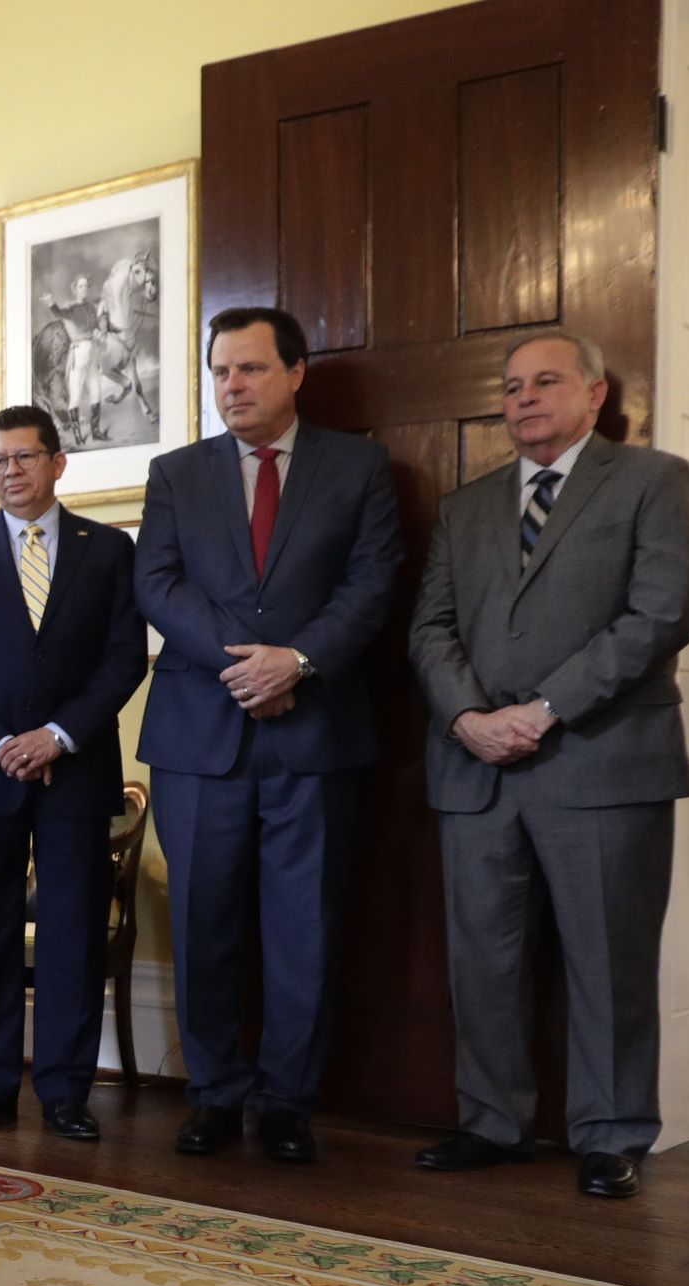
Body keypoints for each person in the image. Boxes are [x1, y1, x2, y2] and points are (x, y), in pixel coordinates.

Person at [408, 332, 689, 1200]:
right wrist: (466, 716)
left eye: (544, 381)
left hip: (601, 761)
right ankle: (491, 1122)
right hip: (476, 768)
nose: (523, 398)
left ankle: (610, 1135)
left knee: (608, 960)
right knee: (482, 958)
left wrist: (542, 710)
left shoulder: (654, 482)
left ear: (594, 392)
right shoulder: (466, 508)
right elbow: (429, 628)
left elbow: (659, 615)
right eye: (510, 387)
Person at [134, 306, 399, 1165]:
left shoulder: (357, 468)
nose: (231, 387)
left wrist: (297, 660)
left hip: (313, 735)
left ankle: (287, 1100)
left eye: (248, 369)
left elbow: (371, 583)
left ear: (294, 373)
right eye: (219, 372)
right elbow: (158, 584)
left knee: (303, 929)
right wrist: (243, 667)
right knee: (202, 924)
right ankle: (213, 1093)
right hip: (199, 738)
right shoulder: (175, 472)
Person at [0, 405, 146, 1140]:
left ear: (56, 463)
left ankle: (64, 1092)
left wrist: (54, 736)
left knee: (72, 932)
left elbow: (122, 658)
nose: (9, 471)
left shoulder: (108, 550)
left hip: (74, 771)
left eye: (23, 457)